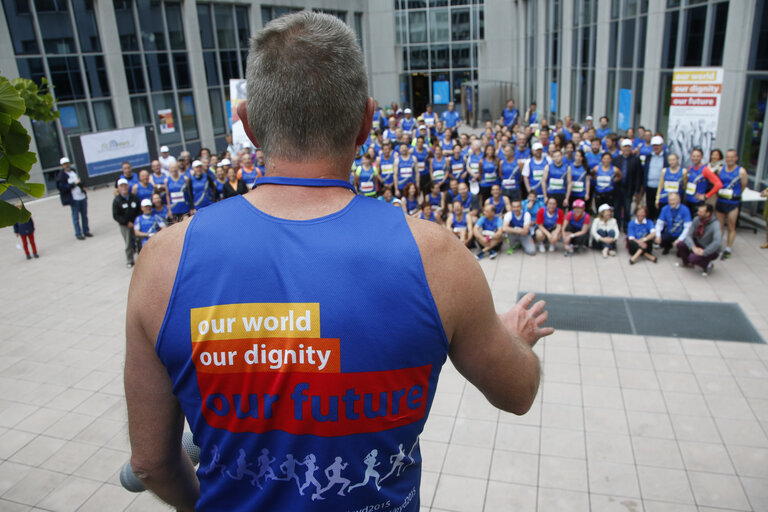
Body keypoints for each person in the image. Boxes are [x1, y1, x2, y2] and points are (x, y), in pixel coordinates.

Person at [125, 14, 550, 512]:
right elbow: (517, 393)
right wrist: (516, 340)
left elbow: (151, 463)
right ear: (367, 121)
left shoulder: (163, 261)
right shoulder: (437, 259)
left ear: (247, 124)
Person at [715, 149, 749, 260]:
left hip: (733, 203)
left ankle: (728, 248)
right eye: (727, 157)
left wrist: (735, 195)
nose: (729, 159)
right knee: (720, 226)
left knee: (731, 226)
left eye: (732, 157)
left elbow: (743, 186)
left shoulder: (741, 171)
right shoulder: (721, 169)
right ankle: (718, 246)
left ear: (736, 158)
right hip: (721, 201)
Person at [676, 203, 722, 276]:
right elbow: (689, 236)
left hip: (710, 248)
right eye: (698, 211)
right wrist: (693, 247)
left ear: (708, 213)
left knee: (693, 258)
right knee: (680, 244)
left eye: (701, 212)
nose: (698, 213)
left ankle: (707, 265)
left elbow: (717, 242)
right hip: (698, 243)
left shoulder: (715, 225)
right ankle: (687, 263)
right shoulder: (696, 219)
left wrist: (705, 252)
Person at [55, 157, 92, 240]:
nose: (67, 165)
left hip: (82, 196)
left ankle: (86, 231)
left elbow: (79, 181)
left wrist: (82, 187)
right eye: (64, 164)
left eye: (67, 163)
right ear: (62, 166)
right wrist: (73, 184)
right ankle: (78, 233)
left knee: (84, 215)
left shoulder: (74, 171)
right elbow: (63, 188)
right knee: (76, 217)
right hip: (74, 199)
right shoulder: (61, 176)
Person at [112, 178, 140, 267]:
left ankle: (141, 257)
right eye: (121, 186)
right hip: (125, 225)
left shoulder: (134, 197)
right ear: (118, 188)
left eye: (125, 185)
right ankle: (130, 260)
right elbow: (116, 215)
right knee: (128, 242)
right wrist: (126, 222)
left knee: (138, 240)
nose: (124, 187)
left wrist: (135, 221)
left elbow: (139, 210)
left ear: (128, 186)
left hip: (135, 224)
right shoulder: (117, 200)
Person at [643, 136, 668, 221]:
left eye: (657, 145)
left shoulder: (666, 157)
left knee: (659, 207)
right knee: (649, 207)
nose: (656, 147)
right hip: (649, 186)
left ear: (662, 145)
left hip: (660, 187)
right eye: (654, 145)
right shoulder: (649, 156)